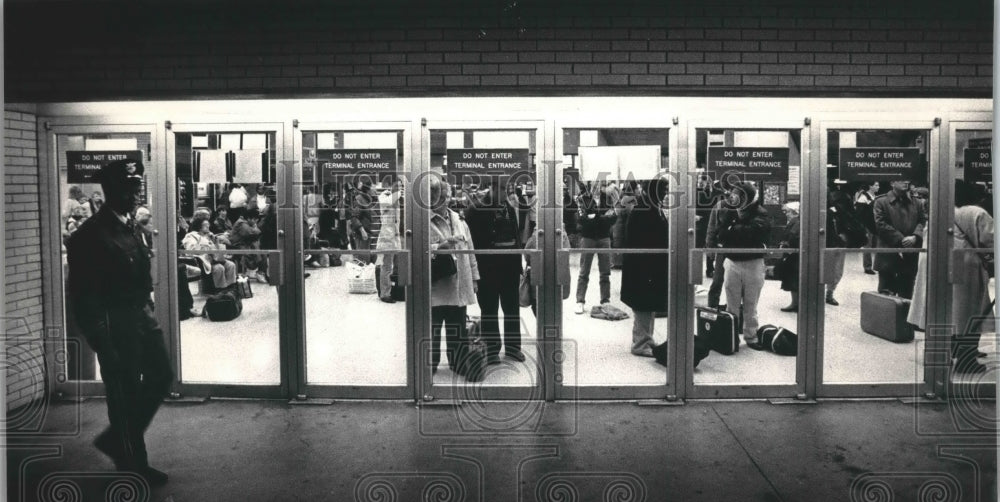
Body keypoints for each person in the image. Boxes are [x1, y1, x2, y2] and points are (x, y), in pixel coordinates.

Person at [65, 158, 171, 486]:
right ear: (111, 190)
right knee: (123, 393)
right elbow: (83, 298)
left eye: (137, 186)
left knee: (161, 375)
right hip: (115, 326)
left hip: (140, 318)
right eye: (129, 187)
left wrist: (148, 307)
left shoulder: (130, 226)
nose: (136, 193)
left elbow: (139, 273)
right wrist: (102, 343)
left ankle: (116, 440)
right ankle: (132, 464)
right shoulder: (89, 235)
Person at [465, 183, 523, 363]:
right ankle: (491, 350)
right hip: (487, 267)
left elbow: (516, 235)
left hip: (509, 266)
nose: (505, 193)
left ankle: (513, 348)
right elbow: (471, 241)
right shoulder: (475, 210)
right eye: (502, 189)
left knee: (511, 308)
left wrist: (519, 264)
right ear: (492, 188)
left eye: (508, 190)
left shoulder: (509, 207)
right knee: (489, 309)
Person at [428, 176, 479, 376]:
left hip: (459, 282)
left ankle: (457, 362)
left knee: (456, 327)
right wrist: (439, 246)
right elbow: (414, 250)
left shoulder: (458, 219)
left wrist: (474, 277)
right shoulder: (423, 220)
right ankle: (430, 363)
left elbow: (470, 249)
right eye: (442, 196)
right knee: (432, 328)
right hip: (437, 283)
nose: (446, 200)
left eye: (447, 196)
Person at [717, 181, 771, 350]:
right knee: (731, 303)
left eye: (738, 195)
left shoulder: (761, 213)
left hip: (753, 263)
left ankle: (751, 336)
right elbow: (722, 235)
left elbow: (751, 234)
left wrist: (734, 229)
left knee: (751, 303)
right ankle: (730, 336)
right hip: (732, 262)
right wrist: (735, 229)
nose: (734, 198)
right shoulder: (730, 212)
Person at [620, 179, 670, 357]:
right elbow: (643, 239)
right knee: (644, 305)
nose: (666, 193)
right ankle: (640, 344)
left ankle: (646, 339)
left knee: (649, 305)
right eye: (663, 190)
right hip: (644, 266)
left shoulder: (651, 207)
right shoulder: (644, 210)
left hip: (649, 265)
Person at [949, 180, 994, 373]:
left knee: (954, 310)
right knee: (971, 311)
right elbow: (991, 237)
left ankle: (954, 349)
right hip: (969, 265)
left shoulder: (945, 210)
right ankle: (967, 359)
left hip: (951, 262)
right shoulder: (977, 212)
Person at [872, 179, 926, 298]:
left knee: (907, 294)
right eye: (901, 180)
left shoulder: (917, 202)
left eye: (907, 179)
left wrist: (915, 236)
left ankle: (904, 317)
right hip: (888, 252)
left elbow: (923, 221)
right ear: (892, 183)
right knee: (885, 296)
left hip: (910, 253)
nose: (906, 182)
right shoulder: (881, 201)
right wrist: (902, 239)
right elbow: (880, 225)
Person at [574, 183, 617, 314]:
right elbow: (581, 219)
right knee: (584, 271)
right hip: (591, 237)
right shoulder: (582, 199)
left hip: (601, 237)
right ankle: (580, 300)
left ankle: (605, 300)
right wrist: (602, 217)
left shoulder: (608, 197)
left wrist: (594, 217)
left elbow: (614, 217)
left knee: (605, 271)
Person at [182, 216, 237, 291]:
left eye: (208, 224)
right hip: (203, 261)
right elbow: (191, 249)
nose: (208, 226)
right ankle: (220, 289)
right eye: (205, 225)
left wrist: (216, 241)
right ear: (199, 226)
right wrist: (207, 247)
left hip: (215, 258)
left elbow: (217, 249)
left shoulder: (209, 236)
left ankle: (230, 288)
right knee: (219, 268)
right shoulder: (191, 236)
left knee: (231, 265)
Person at [376, 180, 404, 303]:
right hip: (387, 238)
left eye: (401, 186)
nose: (399, 188)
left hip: (397, 238)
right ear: (390, 186)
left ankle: (397, 291)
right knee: (386, 267)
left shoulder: (399, 200)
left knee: (398, 267)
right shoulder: (384, 197)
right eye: (397, 185)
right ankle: (384, 294)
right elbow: (387, 202)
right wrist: (399, 192)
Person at [229, 209, 263, 281]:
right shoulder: (241, 223)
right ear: (248, 218)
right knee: (255, 249)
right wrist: (255, 228)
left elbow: (256, 233)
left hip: (244, 243)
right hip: (237, 245)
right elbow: (251, 233)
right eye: (254, 219)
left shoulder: (245, 223)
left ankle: (260, 272)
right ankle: (256, 270)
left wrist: (255, 229)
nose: (255, 222)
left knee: (261, 250)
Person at [778, 202, 801, 312]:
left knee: (793, 280)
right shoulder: (796, 222)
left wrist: (786, 245)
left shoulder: (795, 222)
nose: (786, 214)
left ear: (793, 212)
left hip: (793, 255)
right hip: (793, 254)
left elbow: (793, 237)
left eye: (787, 212)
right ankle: (795, 303)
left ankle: (795, 303)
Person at [855, 182, 879, 274]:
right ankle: (867, 267)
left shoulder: (875, 197)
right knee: (867, 246)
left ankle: (877, 265)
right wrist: (862, 228)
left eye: (878, 185)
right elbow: (859, 214)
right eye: (876, 185)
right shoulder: (863, 198)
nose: (878, 187)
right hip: (867, 226)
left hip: (875, 225)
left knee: (877, 246)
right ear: (870, 186)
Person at [350, 184, 376, 264]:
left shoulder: (372, 199)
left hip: (373, 234)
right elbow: (354, 217)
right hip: (363, 235)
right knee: (363, 261)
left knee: (372, 262)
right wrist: (362, 230)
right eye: (373, 187)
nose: (375, 189)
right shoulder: (359, 199)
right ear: (368, 189)